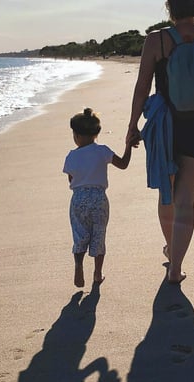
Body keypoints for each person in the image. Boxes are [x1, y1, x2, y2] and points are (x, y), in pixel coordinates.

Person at [126, 0, 194, 284]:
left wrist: (132, 124)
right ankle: (176, 267)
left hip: (165, 125)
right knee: (187, 200)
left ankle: (172, 254)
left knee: (167, 194)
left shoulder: (156, 40)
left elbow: (142, 86)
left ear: (171, 9)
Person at [64, 108, 134, 287]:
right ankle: (97, 273)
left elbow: (71, 179)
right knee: (99, 235)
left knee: (80, 234)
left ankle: (79, 265)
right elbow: (124, 164)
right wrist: (128, 146)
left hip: (78, 199)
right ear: (96, 133)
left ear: (77, 135)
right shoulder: (103, 151)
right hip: (99, 199)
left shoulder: (71, 156)